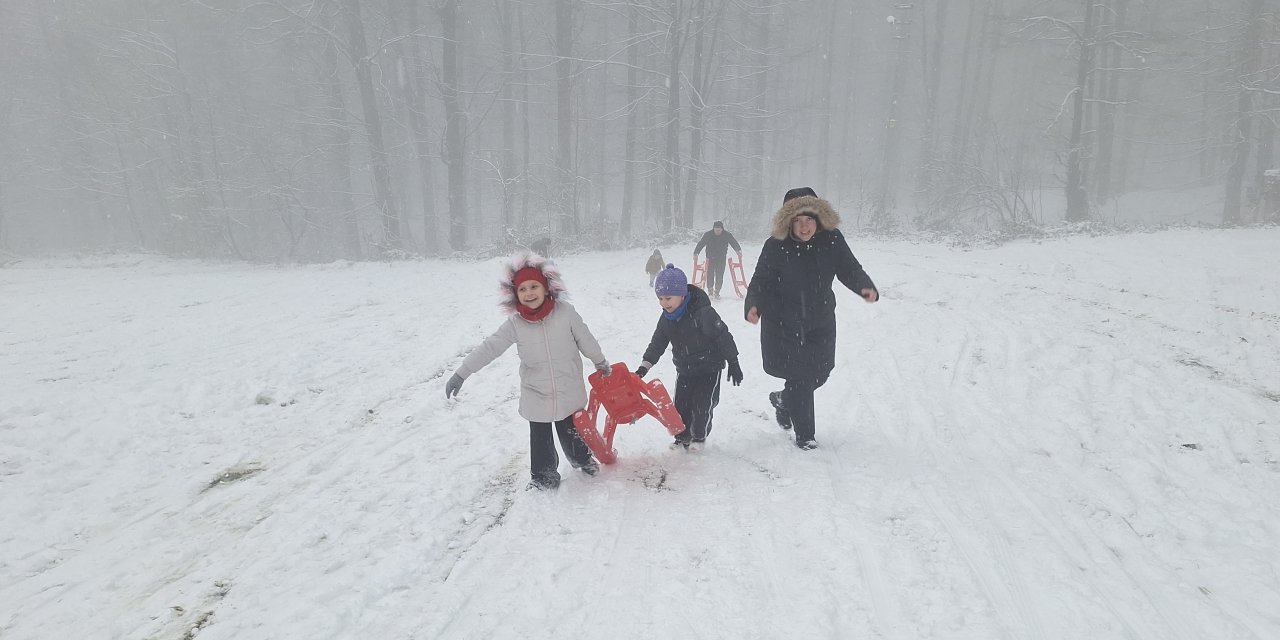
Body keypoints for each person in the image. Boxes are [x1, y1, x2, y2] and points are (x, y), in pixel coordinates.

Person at [445, 253, 612, 489]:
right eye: (522, 289)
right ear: (515, 295)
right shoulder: (515, 324)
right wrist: (462, 372)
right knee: (540, 439)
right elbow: (490, 347)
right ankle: (544, 477)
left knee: (572, 431)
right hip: (536, 391)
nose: (529, 293)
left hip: (568, 388)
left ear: (546, 288)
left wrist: (600, 361)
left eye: (534, 286)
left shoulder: (566, 313)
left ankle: (583, 460)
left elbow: (586, 339)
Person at [743, 187, 879, 450]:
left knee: (821, 371)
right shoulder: (775, 246)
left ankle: (785, 400)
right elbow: (761, 281)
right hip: (783, 321)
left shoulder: (832, 240)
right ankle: (806, 436)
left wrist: (864, 286)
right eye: (798, 221)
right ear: (787, 222)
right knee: (801, 376)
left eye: (809, 220)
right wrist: (754, 305)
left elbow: (848, 268)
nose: (804, 227)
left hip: (820, 319)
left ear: (819, 219)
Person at [635, 264, 743, 451]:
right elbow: (657, 343)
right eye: (660, 299)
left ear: (682, 295)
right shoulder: (666, 318)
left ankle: (699, 438)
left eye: (668, 298)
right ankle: (682, 438)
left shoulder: (703, 313)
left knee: (702, 406)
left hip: (709, 368)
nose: (664, 303)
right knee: (680, 408)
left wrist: (733, 362)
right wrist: (645, 366)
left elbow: (723, 335)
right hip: (685, 369)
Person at [693, 221, 743, 299]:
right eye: (716, 230)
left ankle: (717, 291)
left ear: (722, 229)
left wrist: (738, 251)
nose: (717, 231)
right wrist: (696, 253)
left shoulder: (727, 235)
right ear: (713, 229)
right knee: (710, 274)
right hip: (710, 258)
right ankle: (710, 290)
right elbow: (701, 243)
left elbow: (734, 243)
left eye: (719, 230)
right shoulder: (708, 235)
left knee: (720, 274)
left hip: (721, 258)